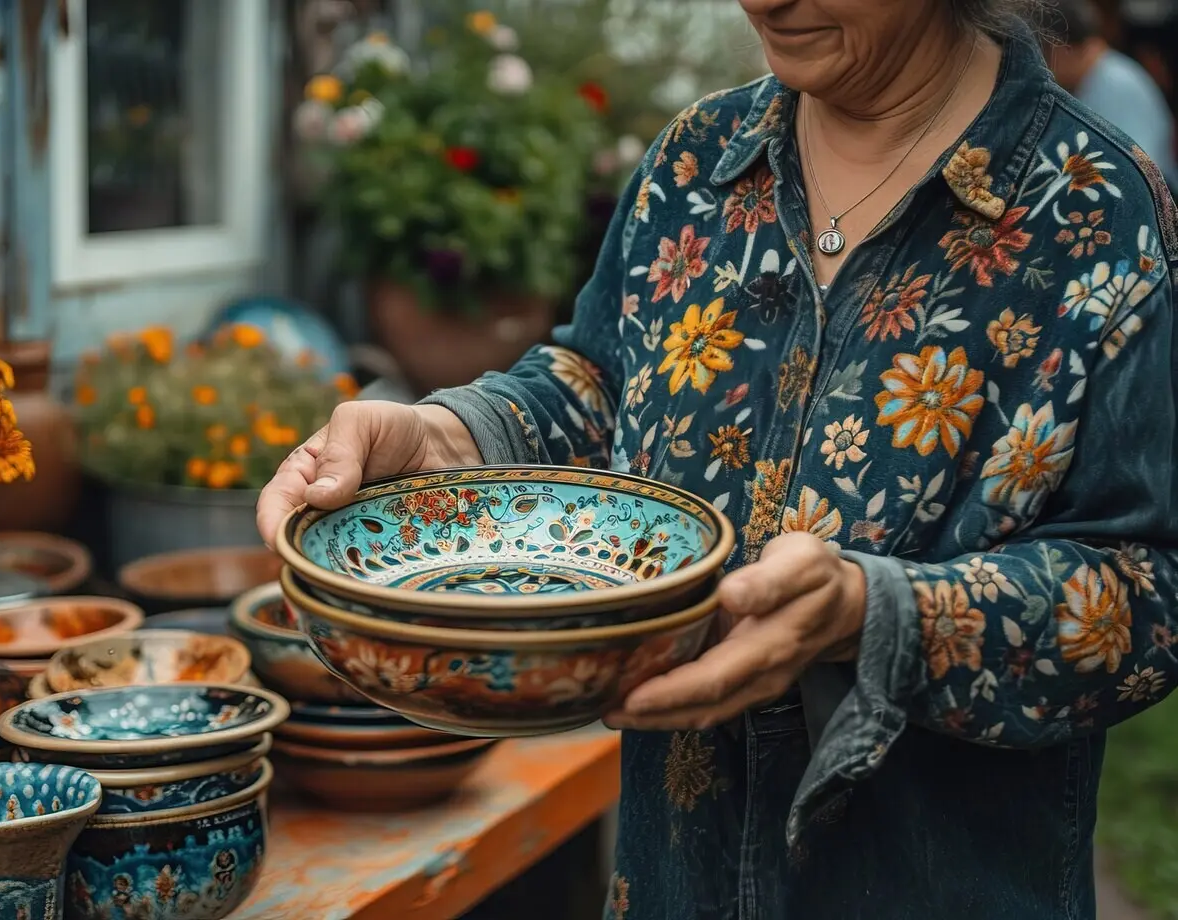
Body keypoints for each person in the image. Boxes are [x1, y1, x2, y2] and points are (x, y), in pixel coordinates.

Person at [259, 0, 1178, 916]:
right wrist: (445, 436)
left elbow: (1150, 590)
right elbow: (602, 381)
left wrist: (876, 615)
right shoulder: (697, 161)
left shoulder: (1096, 209)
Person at [1045, 0, 1178, 184]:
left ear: (1063, 50)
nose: (1046, 65)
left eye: (1046, 53)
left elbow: (1136, 169)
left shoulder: (1116, 81)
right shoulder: (1094, 78)